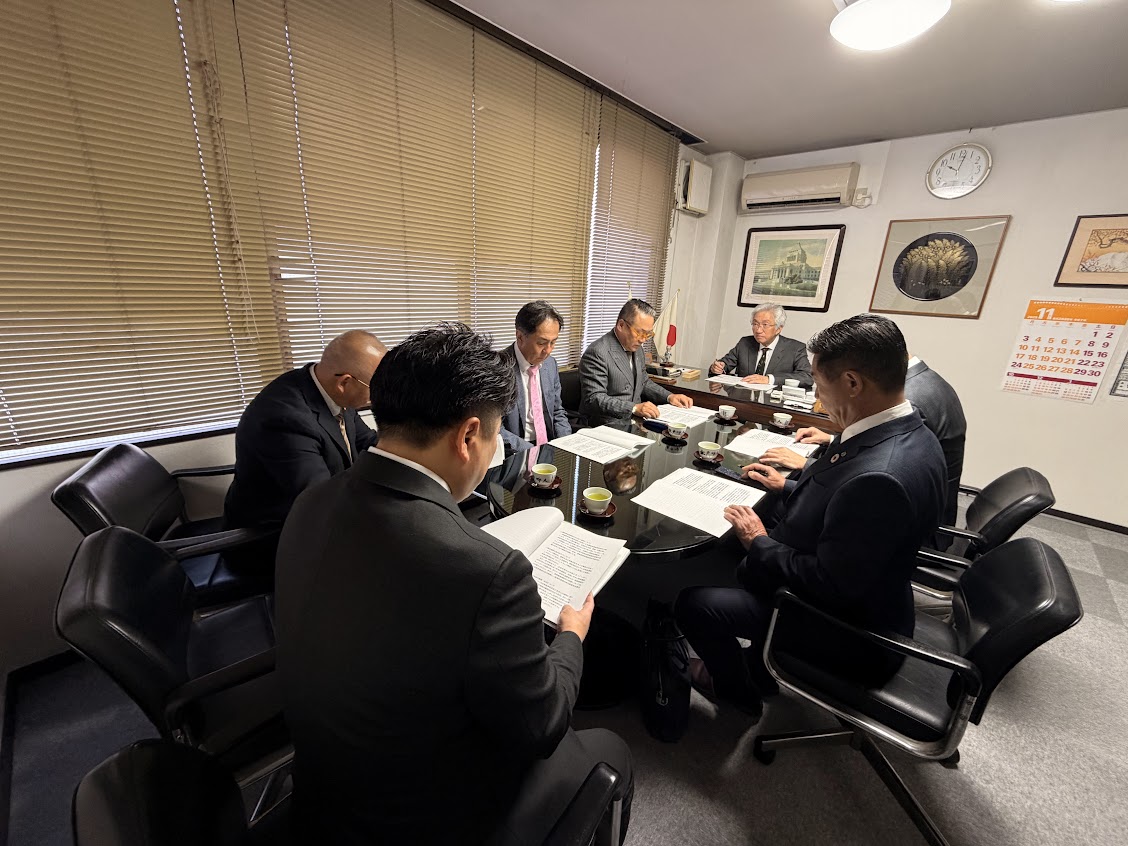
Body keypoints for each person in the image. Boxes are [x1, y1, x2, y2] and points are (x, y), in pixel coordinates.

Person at [274, 323, 633, 846]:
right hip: (422, 818)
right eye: (495, 438)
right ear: (467, 437)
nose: (495, 453)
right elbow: (543, 725)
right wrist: (572, 636)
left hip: (321, 788)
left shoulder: (311, 502)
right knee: (610, 750)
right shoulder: (487, 572)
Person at [676, 314, 945, 717]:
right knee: (737, 554)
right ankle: (759, 665)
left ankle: (735, 688)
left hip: (848, 628)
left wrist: (759, 541)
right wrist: (787, 486)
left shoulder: (881, 478)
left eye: (819, 383)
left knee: (694, 603)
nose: (817, 395)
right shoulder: (912, 433)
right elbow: (845, 505)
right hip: (878, 594)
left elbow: (829, 583)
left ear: (852, 383)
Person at [222, 330, 386, 571]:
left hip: (314, 513)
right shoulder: (284, 419)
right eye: (376, 387)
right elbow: (319, 501)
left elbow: (367, 441)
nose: (381, 396)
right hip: (271, 537)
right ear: (344, 382)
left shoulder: (329, 390)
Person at [762, 353, 966, 541]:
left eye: (820, 386)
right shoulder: (927, 380)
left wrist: (806, 466)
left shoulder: (908, 402)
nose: (817, 396)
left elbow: (870, 473)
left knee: (771, 509)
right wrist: (831, 440)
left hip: (912, 534)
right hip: (923, 511)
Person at [579, 298, 693, 426]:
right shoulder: (598, 352)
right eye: (639, 332)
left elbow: (643, 382)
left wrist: (669, 397)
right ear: (621, 325)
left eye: (648, 334)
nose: (643, 340)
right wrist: (633, 408)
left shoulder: (637, 349)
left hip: (635, 422)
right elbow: (594, 398)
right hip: (606, 424)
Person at [500, 300, 571, 453]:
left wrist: (566, 444)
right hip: (516, 449)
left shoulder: (550, 364)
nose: (548, 350)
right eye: (541, 343)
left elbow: (557, 411)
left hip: (549, 444)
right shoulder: (498, 369)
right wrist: (533, 452)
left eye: (553, 342)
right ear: (520, 337)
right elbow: (495, 429)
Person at [709, 303, 812, 387]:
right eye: (755, 324)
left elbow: (807, 377)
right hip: (743, 399)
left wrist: (769, 379)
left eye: (765, 325)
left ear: (779, 329)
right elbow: (724, 365)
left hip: (774, 402)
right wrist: (718, 368)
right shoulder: (745, 343)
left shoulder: (795, 348)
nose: (758, 330)